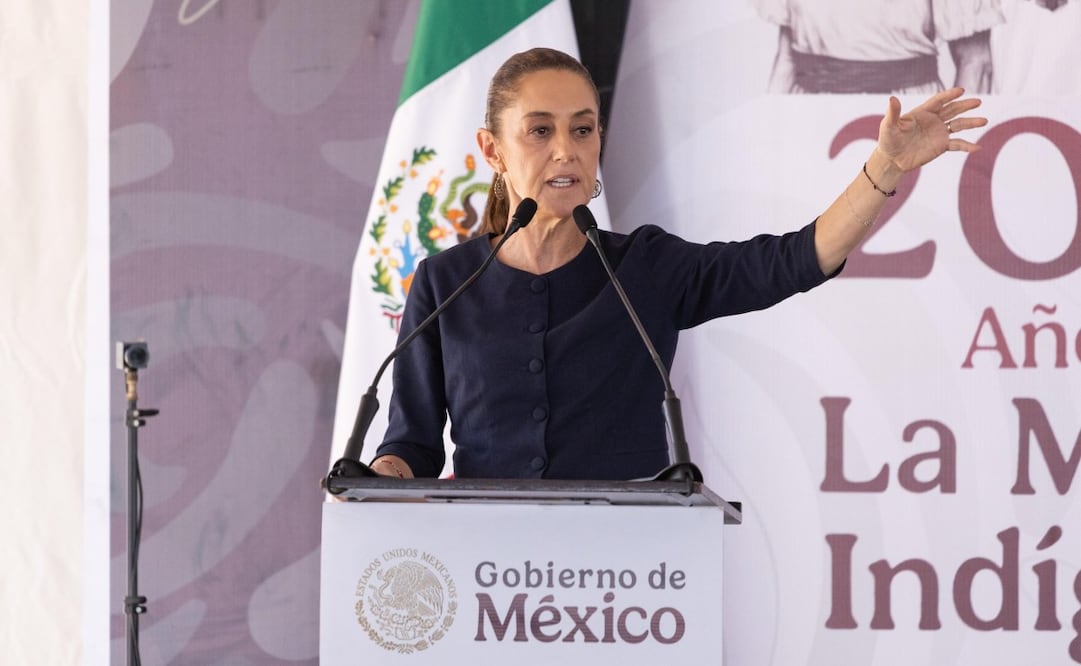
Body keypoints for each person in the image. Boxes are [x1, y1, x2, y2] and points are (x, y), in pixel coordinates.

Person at [365, 47, 986, 481]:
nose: (567, 150)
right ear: (492, 149)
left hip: (626, 586)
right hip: (486, 577)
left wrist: (885, 170)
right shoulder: (444, 284)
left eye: (584, 130)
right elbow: (412, 444)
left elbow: (796, 258)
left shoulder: (646, 268)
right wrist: (378, 473)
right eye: (540, 131)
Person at [754, 0, 1004, 94]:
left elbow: (976, 63)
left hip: (909, 120)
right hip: (813, 117)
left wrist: (951, 155)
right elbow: (786, 59)